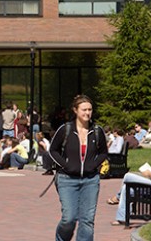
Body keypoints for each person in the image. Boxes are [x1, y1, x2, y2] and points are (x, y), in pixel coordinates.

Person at [49, 95, 107, 241]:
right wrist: (66, 165)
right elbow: (53, 150)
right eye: (84, 110)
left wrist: (94, 165)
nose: (87, 113)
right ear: (75, 110)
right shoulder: (65, 129)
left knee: (87, 220)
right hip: (67, 179)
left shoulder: (97, 131)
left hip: (90, 180)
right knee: (69, 218)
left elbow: (103, 152)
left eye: (90, 109)